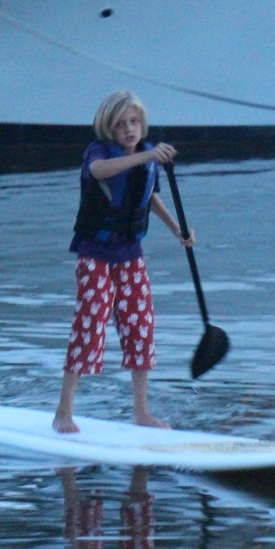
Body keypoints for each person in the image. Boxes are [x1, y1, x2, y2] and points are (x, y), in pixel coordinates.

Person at [53, 91, 194, 434]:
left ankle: (141, 412)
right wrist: (146, 155)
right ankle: (63, 412)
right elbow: (98, 171)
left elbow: (150, 197)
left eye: (134, 122)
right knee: (90, 324)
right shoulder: (99, 152)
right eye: (120, 125)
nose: (129, 129)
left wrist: (177, 228)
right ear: (108, 128)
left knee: (141, 326)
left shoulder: (146, 157)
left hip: (130, 255)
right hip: (95, 255)